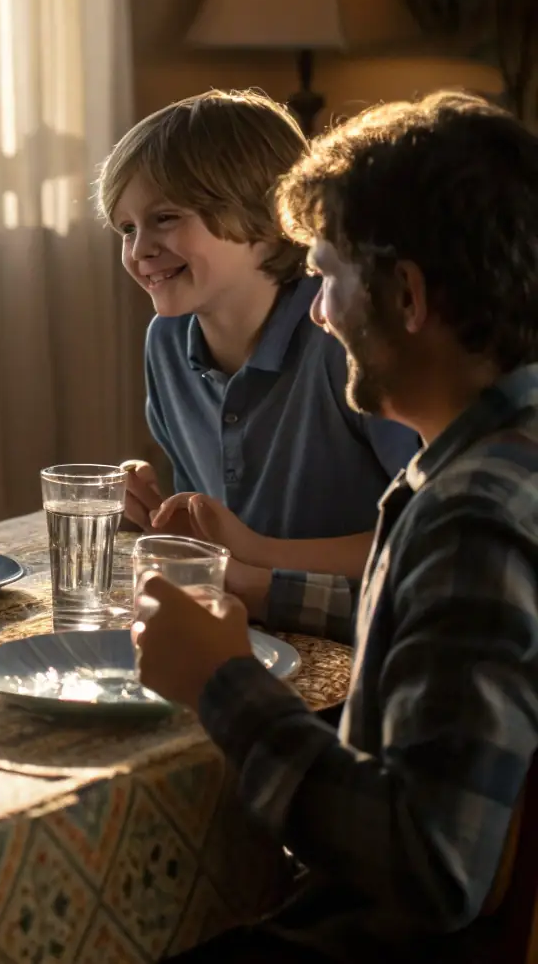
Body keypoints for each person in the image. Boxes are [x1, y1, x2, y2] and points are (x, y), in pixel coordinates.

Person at [135, 91, 538, 964]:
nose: (316, 311)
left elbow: (429, 861)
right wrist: (253, 588)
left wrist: (226, 686)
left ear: (405, 295)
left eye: (325, 276)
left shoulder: (474, 516)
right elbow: (420, 621)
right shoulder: (491, 460)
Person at [97, 91, 417, 637]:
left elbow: (422, 537)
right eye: (126, 229)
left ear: (269, 215)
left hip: (367, 635)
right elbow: (213, 532)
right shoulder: (167, 343)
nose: (138, 250)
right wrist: (153, 504)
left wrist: (258, 554)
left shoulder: (344, 337)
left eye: (165, 218)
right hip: (249, 633)